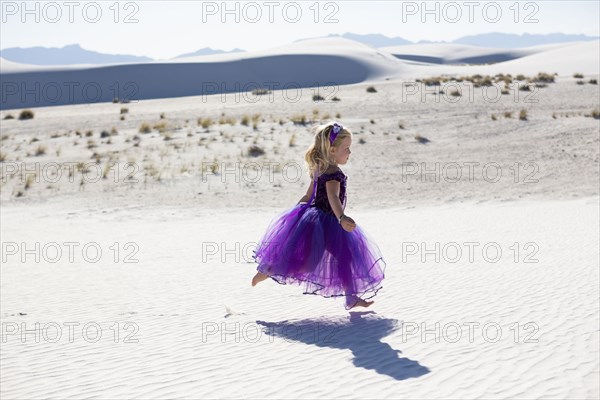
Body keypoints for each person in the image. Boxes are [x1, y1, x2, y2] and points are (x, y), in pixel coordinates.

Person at [251, 122, 386, 310]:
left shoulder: (319, 168)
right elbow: (332, 198)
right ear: (332, 150)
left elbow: (309, 195)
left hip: (318, 221)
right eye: (346, 148)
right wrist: (341, 218)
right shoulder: (333, 173)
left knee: (344, 258)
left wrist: (299, 210)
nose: (349, 152)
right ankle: (270, 269)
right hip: (325, 224)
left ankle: (351, 297)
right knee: (309, 265)